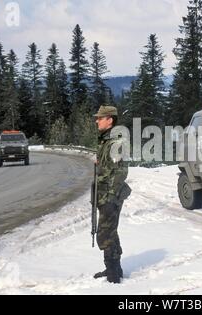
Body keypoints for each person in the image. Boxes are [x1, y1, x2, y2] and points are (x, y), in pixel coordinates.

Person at [92, 105, 130, 284]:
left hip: (110, 195)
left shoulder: (116, 141)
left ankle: (113, 273)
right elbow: (107, 167)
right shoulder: (106, 140)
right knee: (110, 232)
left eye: (100, 118)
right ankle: (113, 268)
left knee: (106, 233)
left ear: (110, 120)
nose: (97, 121)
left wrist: (110, 196)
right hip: (104, 193)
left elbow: (121, 171)